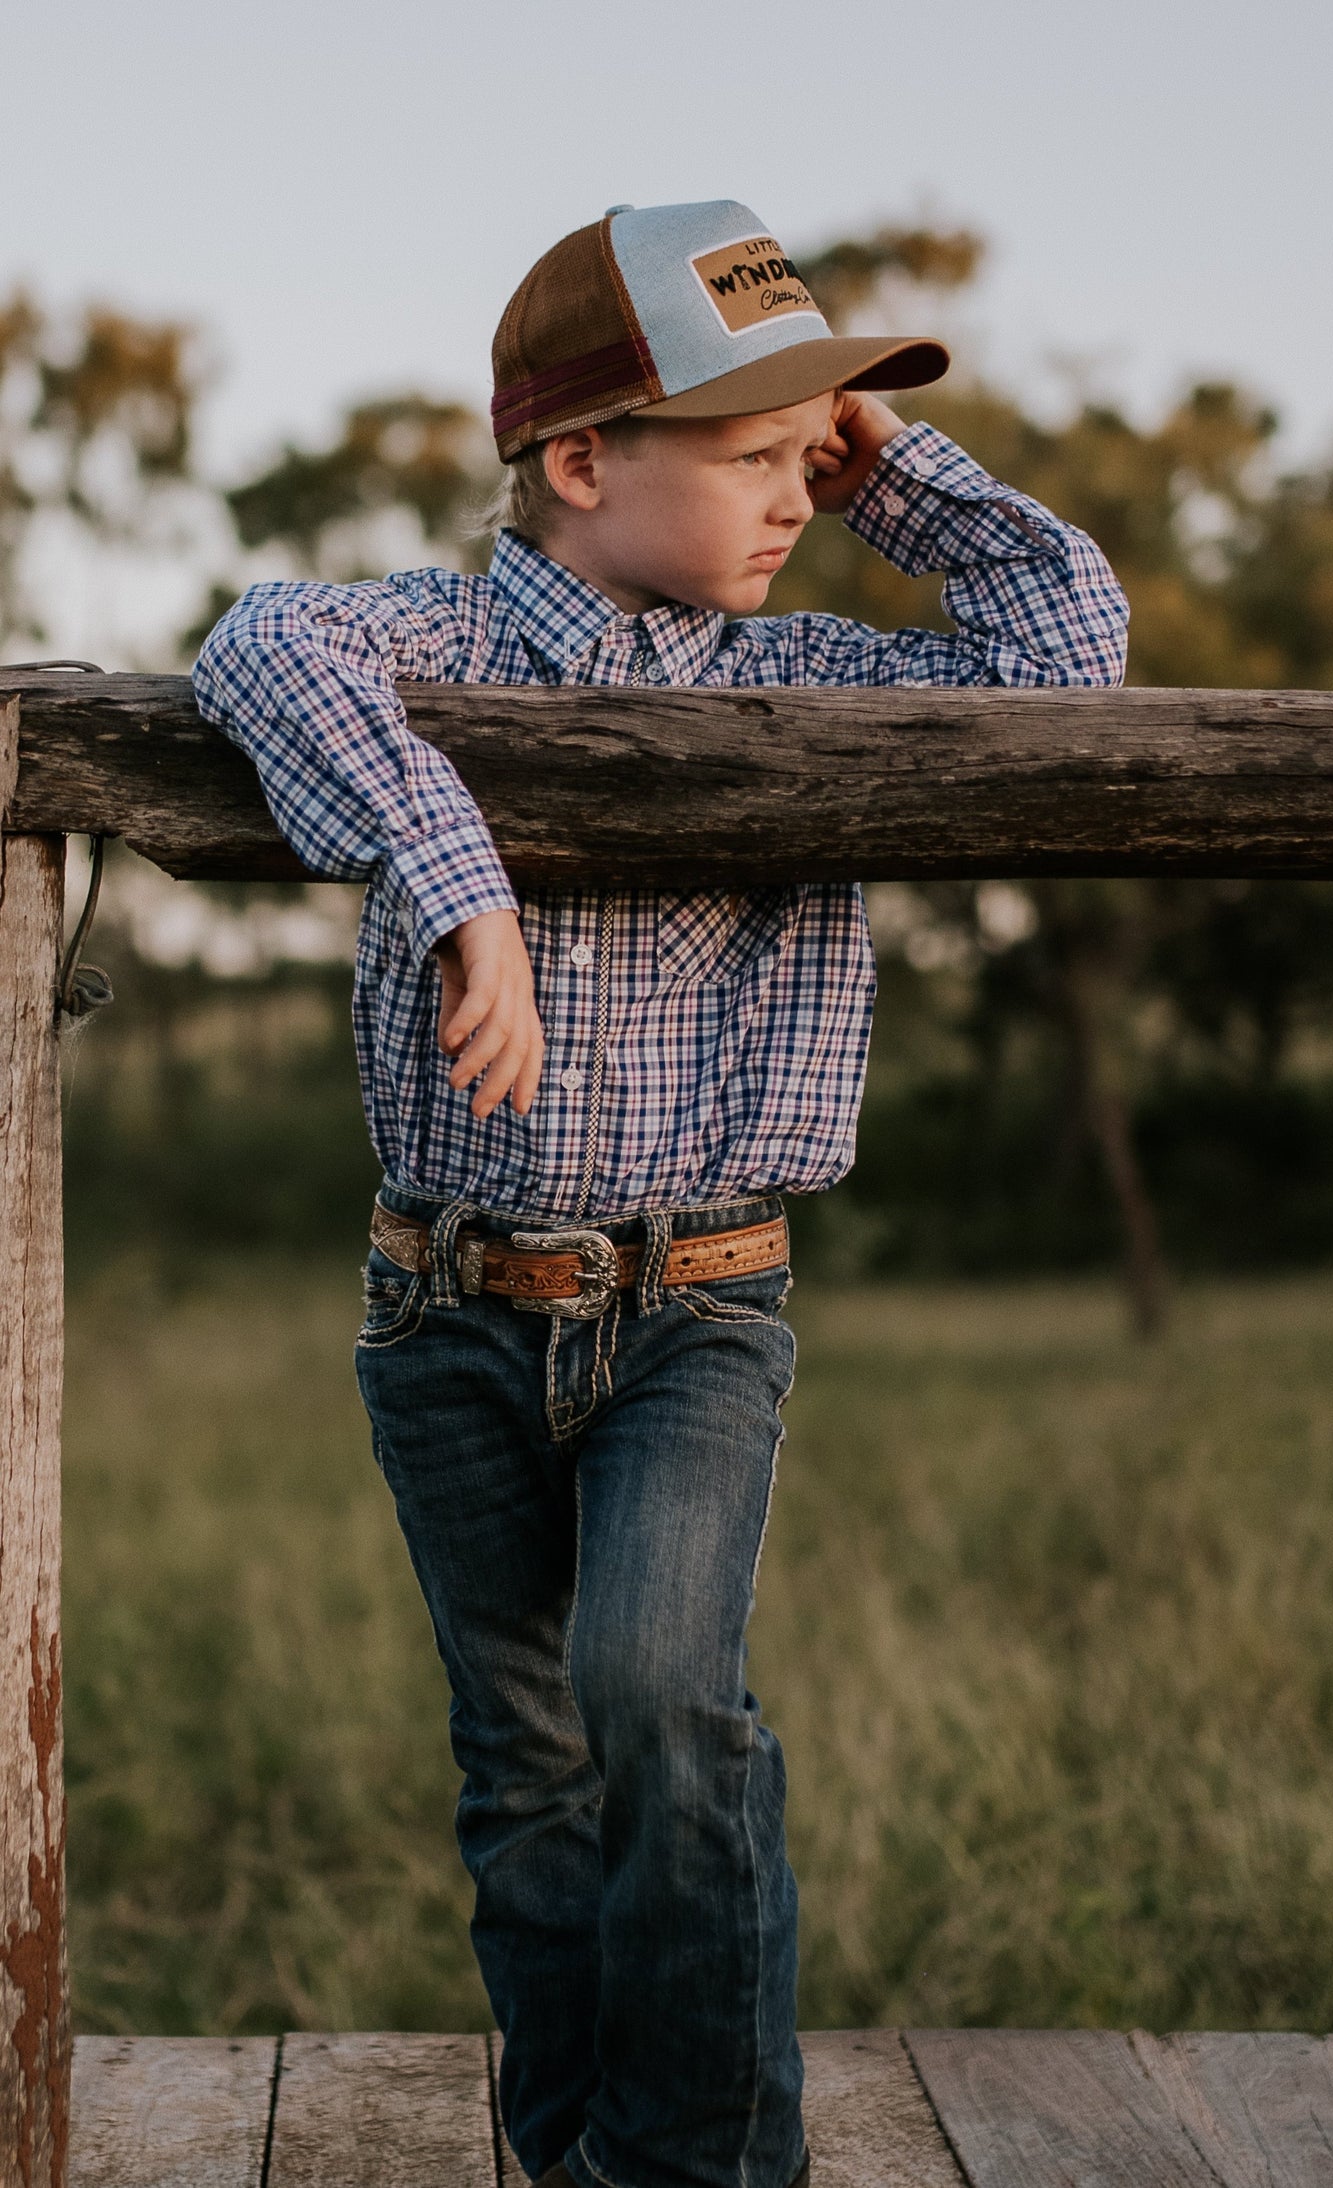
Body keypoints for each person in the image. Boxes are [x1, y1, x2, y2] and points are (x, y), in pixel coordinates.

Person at [193, 198, 1128, 2188]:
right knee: (525, 1762)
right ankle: (568, 2143)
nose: (802, 481)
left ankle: (699, 2163)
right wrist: (462, 884)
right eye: (755, 443)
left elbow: (1070, 652)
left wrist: (899, 470)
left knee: (658, 1694)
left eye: (820, 446)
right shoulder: (433, 643)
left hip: (700, 1300)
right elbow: (255, 637)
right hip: (445, 1308)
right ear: (583, 458)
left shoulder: (808, 670)